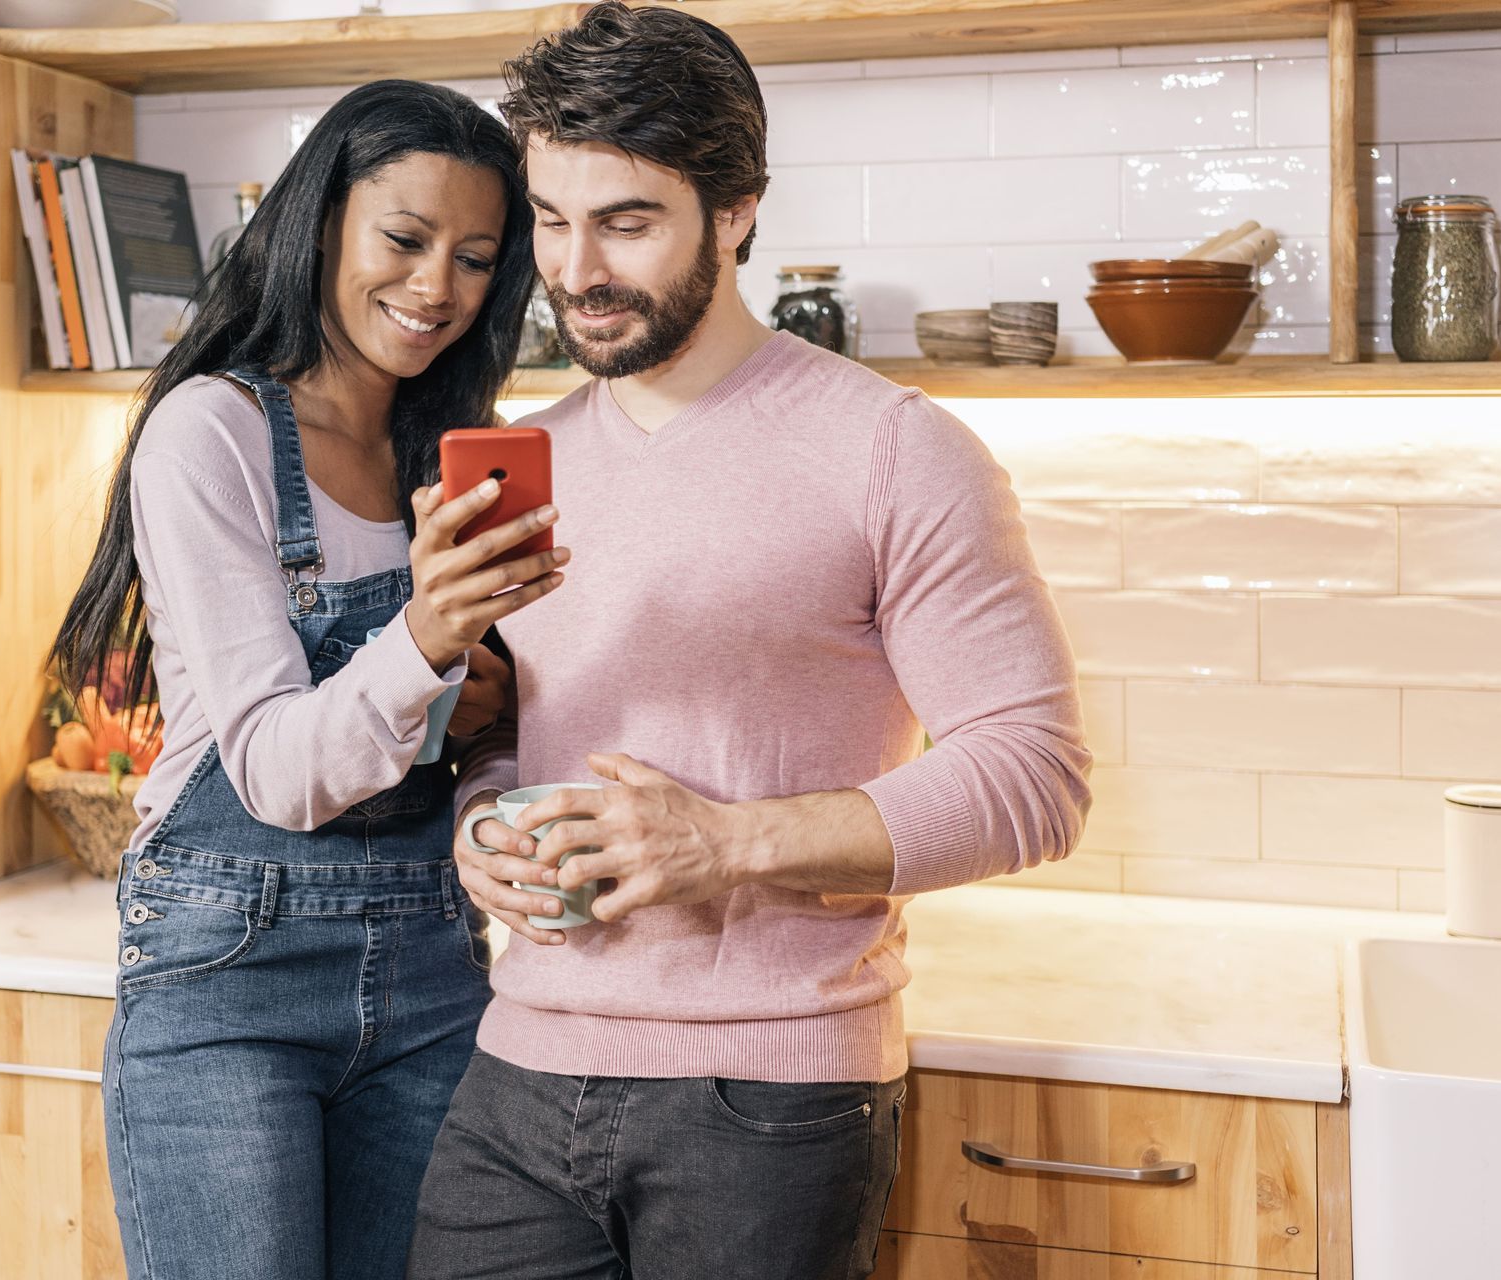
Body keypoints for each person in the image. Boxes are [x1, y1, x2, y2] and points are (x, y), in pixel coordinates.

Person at [406, 8, 1093, 1278]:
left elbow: (1035, 774)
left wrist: (725, 842)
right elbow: (518, 728)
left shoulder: (893, 449)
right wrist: (486, 825)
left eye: (627, 221)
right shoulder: (527, 453)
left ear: (736, 213)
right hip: (521, 1062)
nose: (578, 270)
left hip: (772, 1095)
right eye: (552, 221)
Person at [48, 80, 566, 1280]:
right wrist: (430, 640)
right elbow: (278, 770)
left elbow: (486, 728)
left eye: (478, 257)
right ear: (319, 223)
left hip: (436, 968)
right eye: (404, 238)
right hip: (230, 973)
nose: (437, 286)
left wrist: (482, 724)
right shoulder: (210, 433)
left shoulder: (460, 450)